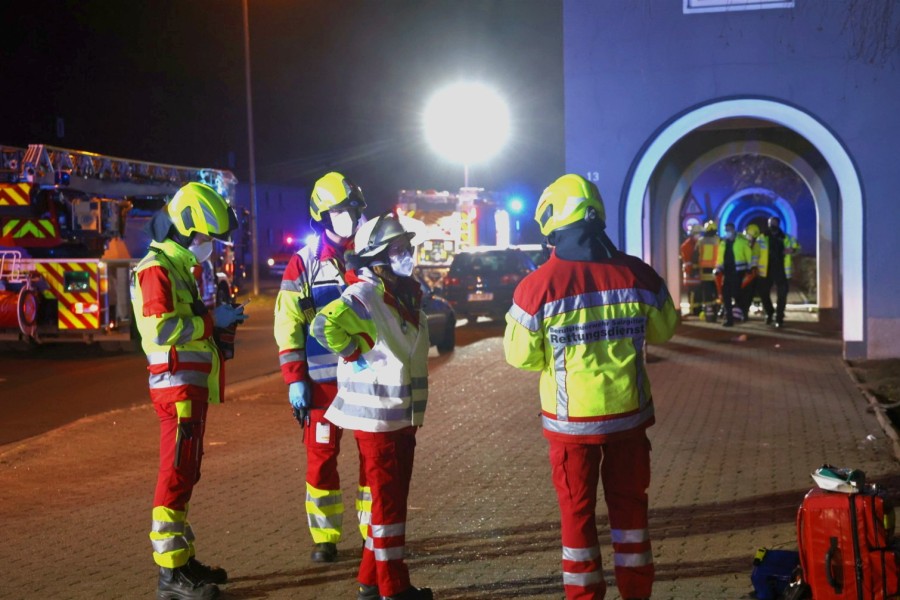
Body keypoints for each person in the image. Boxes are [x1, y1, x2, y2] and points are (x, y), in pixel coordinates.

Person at [503, 174, 678, 600]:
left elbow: (521, 356)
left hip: (571, 427)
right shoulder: (638, 273)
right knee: (630, 513)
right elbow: (665, 329)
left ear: (554, 223)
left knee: (577, 517)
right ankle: (637, 593)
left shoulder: (537, 287)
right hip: (629, 420)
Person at [131, 182, 247, 600]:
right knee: (176, 474)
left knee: (186, 472)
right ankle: (170, 576)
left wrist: (219, 326)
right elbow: (161, 329)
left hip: (188, 389)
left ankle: (183, 560)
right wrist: (210, 321)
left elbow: (189, 324)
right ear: (183, 231)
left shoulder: (178, 267)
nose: (208, 246)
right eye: (204, 238)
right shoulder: (156, 269)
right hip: (175, 389)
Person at [311, 212, 433, 600]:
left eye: (407, 247)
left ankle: (369, 582)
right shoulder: (364, 294)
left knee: (391, 505)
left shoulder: (401, 295)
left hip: (401, 417)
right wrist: (353, 352)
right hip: (378, 421)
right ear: (377, 257)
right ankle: (393, 591)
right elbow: (322, 326)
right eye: (398, 249)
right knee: (386, 510)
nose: (407, 254)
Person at [273, 171, 368, 563]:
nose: (348, 216)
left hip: (366, 382)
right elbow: (287, 324)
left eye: (351, 208)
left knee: (372, 458)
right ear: (323, 217)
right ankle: (325, 538)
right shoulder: (304, 264)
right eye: (340, 210)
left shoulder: (368, 253)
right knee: (321, 459)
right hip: (323, 386)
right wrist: (295, 379)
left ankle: (373, 534)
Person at [757, 216, 800, 328]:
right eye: (770, 223)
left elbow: (798, 247)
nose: (772, 225)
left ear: (778, 224)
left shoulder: (787, 238)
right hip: (766, 270)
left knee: (782, 295)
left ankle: (779, 318)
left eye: (774, 223)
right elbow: (755, 252)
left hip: (782, 270)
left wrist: (793, 250)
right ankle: (770, 312)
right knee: (763, 293)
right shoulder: (762, 238)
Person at [713, 222, 752, 327]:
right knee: (726, 295)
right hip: (727, 272)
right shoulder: (723, 243)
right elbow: (720, 258)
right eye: (726, 230)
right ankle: (729, 319)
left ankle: (742, 313)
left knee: (737, 294)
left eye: (729, 229)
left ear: (734, 229)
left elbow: (749, 255)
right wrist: (718, 268)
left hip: (739, 272)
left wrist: (750, 268)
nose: (728, 232)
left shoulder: (742, 241)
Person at [696, 219, 720, 320]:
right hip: (716, 269)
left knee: (706, 292)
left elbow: (696, 254)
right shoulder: (718, 240)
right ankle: (715, 311)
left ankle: (708, 313)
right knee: (716, 291)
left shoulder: (700, 241)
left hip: (704, 270)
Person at [679, 224, 702, 316]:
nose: (699, 235)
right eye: (697, 233)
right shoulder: (687, 245)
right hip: (691, 272)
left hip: (696, 271)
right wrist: (690, 271)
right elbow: (687, 260)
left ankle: (697, 309)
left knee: (697, 292)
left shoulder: (696, 243)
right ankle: (693, 309)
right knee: (692, 292)